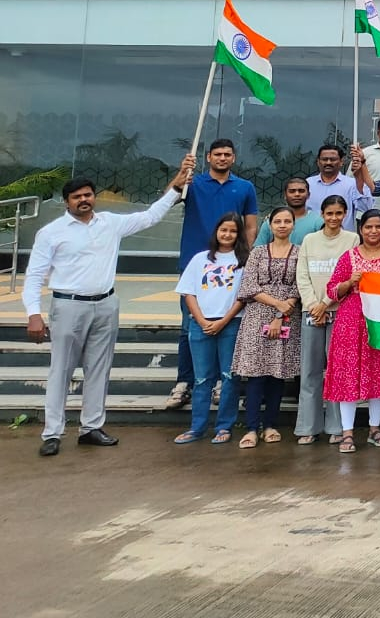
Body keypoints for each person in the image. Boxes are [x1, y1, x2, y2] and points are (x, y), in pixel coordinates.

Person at [26, 156, 193, 457]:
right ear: (66, 202)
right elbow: (34, 275)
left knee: (99, 369)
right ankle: (52, 433)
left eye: (88, 195)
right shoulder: (51, 232)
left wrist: (176, 188)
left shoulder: (110, 223)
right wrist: (33, 313)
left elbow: (150, 217)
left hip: (105, 304)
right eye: (77, 197)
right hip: (68, 306)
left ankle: (91, 427)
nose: (84, 200)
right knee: (61, 371)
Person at [167, 137, 258, 410]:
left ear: (234, 158)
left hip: (231, 266)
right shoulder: (193, 183)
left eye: (227, 154)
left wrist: (245, 257)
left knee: (228, 325)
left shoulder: (244, 187)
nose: (222, 158)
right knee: (190, 326)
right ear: (208, 157)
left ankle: (222, 382)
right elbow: (168, 198)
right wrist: (182, 174)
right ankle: (184, 382)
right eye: (217, 154)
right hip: (196, 264)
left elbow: (250, 226)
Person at [324, 209, 380, 453]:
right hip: (352, 322)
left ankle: (374, 429)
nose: (373, 231)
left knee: (379, 372)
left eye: (378, 226)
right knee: (348, 375)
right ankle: (347, 433)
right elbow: (331, 290)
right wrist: (349, 282)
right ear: (360, 229)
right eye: (368, 227)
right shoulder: (349, 257)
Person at [230, 205, 301, 448]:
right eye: (277, 221)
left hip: (287, 317)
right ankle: (251, 428)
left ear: (293, 225)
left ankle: (270, 425)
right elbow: (249, 286)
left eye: (287, 221)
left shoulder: (300, 253)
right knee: (256, 374)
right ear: (269, 225)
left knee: (277, 374)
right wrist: (277, 304)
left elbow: (300, 286)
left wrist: (280, 313)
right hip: (257, 315)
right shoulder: (258, 252)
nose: (282, 225)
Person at [174, 213, 247, 445]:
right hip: (201, 325)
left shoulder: (243, 261)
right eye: (223, 230)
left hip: (231, 324)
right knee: (202, 379)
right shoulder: (200, 259)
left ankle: (224, 426)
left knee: (229, 377)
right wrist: (202, 321)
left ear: (239, 234)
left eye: (233, 231)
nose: (227, 234)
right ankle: (197, 427)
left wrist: (223, 321)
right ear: (216, 232)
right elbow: (188, 293)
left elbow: (243, 297)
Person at [294, 195, 357, 444]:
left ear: (345, 215)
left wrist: (325, 304)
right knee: (310, 371)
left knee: (336, 371)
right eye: (329, 213)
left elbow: (349, 279)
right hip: (311, 313)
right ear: (322, 214)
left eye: (338, 213)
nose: (334, 218)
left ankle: (337, 427)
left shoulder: (352, 239)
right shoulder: (309, 240)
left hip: (339, 312)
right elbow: (302, 277)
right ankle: (308, 428)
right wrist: (313, 307)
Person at [303, 144, 372, 233]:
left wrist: (359, 178)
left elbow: (366, 207)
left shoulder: (352, 184)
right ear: (318, 162)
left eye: (333, 159)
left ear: (341, 162)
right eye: (324, 159)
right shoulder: (308, 184)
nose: (328, 162)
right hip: (313, 237)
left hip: (343, 238)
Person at [253, 177, 312, 246]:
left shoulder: (317, 222)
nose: (297, 194)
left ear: (308, 195)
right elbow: (258, 248)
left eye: (301, 191)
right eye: (292, 191)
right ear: (285, 195)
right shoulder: (271, 221)